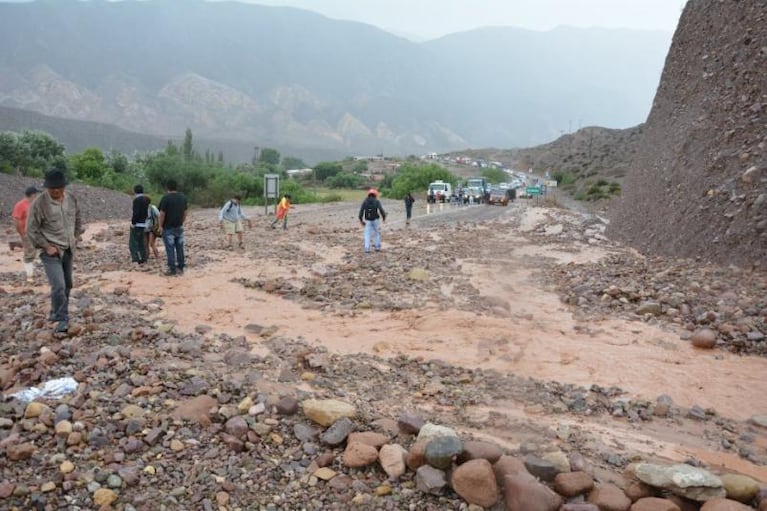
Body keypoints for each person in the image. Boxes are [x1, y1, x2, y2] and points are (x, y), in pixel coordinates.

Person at [26, 169, 83, 334]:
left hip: (69, 249)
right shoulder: (39, 203)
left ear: (64, 186)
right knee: (58, 285)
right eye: (52, 188)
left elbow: (78, 218)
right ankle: (61, 318)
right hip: (51, 252)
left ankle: (55, 312)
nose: (56, 191)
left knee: (68, 285)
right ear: (47, 188)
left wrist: (76, 236)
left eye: (59, 187)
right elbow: (31, 229)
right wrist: (45, 246)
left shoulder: (71, 199)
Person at [158, 179, 188, 276]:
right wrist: (181, 222)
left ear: (167, 187)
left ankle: (172, 269)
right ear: (176, 187)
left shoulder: (165, 198)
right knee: (180, 248)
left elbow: (162, 214)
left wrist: (160, 226)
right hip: (179, 227)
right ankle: (181, 267)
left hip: (168, 228)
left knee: (170, 249)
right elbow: (185, 213)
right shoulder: (183, 198)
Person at [12, 185, 40, 281]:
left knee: (37, 252)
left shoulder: (33, 205)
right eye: (36, 194)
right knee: (29, 253)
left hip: (35, 233)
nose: (37, 196)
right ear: (32, 195)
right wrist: (22, 234)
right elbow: (16, 220)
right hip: (26, 233)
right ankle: (29, 276)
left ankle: (32, 270)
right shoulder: (20, 205)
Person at [358, 188, 386, 253]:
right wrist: (384, 218)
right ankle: (377, 247)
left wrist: (361, 220)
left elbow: (361, 212)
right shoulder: (377, 201)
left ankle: (367, 248)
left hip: (368, 220)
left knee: (367, 234)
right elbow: (381, 210)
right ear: (375, 194)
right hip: (376, 219)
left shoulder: (365, 201)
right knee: (376, 233)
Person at [129, 184, 150, 265]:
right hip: (144, 223)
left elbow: (136, 213)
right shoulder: (146, 200)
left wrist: (133, 223)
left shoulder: (136, 200)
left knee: (133, 242)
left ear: (135, 191)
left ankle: (136, 258)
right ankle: (143, 257)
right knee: (141, 241)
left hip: (137, 224)